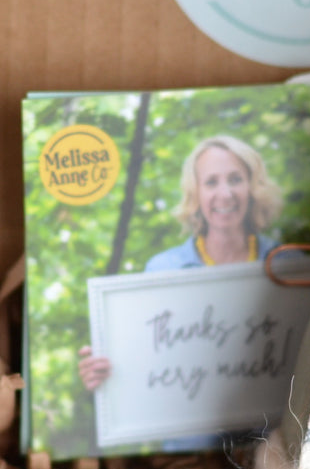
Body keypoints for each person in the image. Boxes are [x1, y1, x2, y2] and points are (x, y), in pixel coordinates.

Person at [78, 135, 284, 390]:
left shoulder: (287, 263)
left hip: (271, 428)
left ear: (253, 187)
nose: (225, 193)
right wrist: (103, 371)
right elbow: (141, 360)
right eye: (211, 182)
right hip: (189, 429)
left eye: (235, 179)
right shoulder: (162, 271)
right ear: (195, 194)